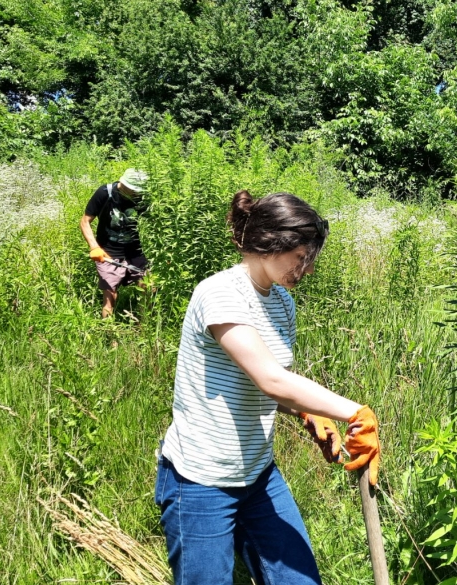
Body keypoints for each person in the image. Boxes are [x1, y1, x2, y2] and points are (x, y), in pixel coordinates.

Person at [155, 189, 381, 585]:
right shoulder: (219, 293)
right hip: (200, 480)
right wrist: (352, 412)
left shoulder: (282, 303)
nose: (308, 271)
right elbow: (271, 379)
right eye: (302, 259)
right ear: (273, 244)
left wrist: (308, 412)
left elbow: (271, 387)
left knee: (301, 581)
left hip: (258, 475)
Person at [79, 168, 149, 318]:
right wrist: (94, 247)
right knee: (110, 296)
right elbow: (85, 221)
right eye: (133, 190)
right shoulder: (105, 193)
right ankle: (110, 337)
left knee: (147, 287)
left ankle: (144, 329)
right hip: (108, 251)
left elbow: (157, 223)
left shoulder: (142, 198)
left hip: (135, 251)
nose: (136, 194)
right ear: (123, 183)